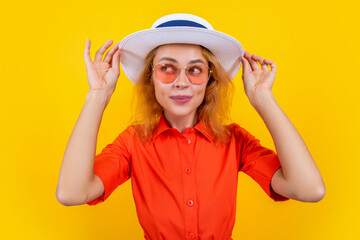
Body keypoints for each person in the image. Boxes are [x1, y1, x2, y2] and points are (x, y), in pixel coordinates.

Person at [56, 13, 325, 239]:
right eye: (167, 68)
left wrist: (264, 100)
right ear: (151, 79)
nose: (181, 82)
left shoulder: (234, 140)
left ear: (210, 79)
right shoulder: (132, 142)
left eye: (195, 70)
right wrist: (98, 95)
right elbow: (71, 193)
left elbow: (309, 189)